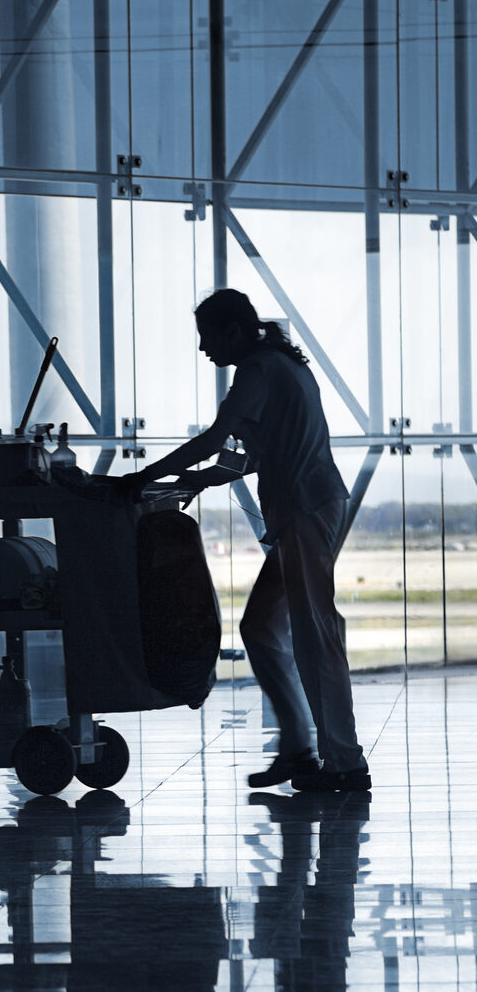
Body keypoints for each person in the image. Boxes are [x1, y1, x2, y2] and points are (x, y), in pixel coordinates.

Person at [123, 288, 369, 793]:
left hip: (304, 508)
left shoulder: (257, 371)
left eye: (207, 337)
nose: (203, 350)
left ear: (232, 330)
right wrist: (203, 479)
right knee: (260, 628)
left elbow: (215, 438)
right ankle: (300, 747)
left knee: (315, 636)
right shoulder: (281, 365)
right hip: (302, 507)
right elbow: (255, 453)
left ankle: (344, 762)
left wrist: (140, 477)